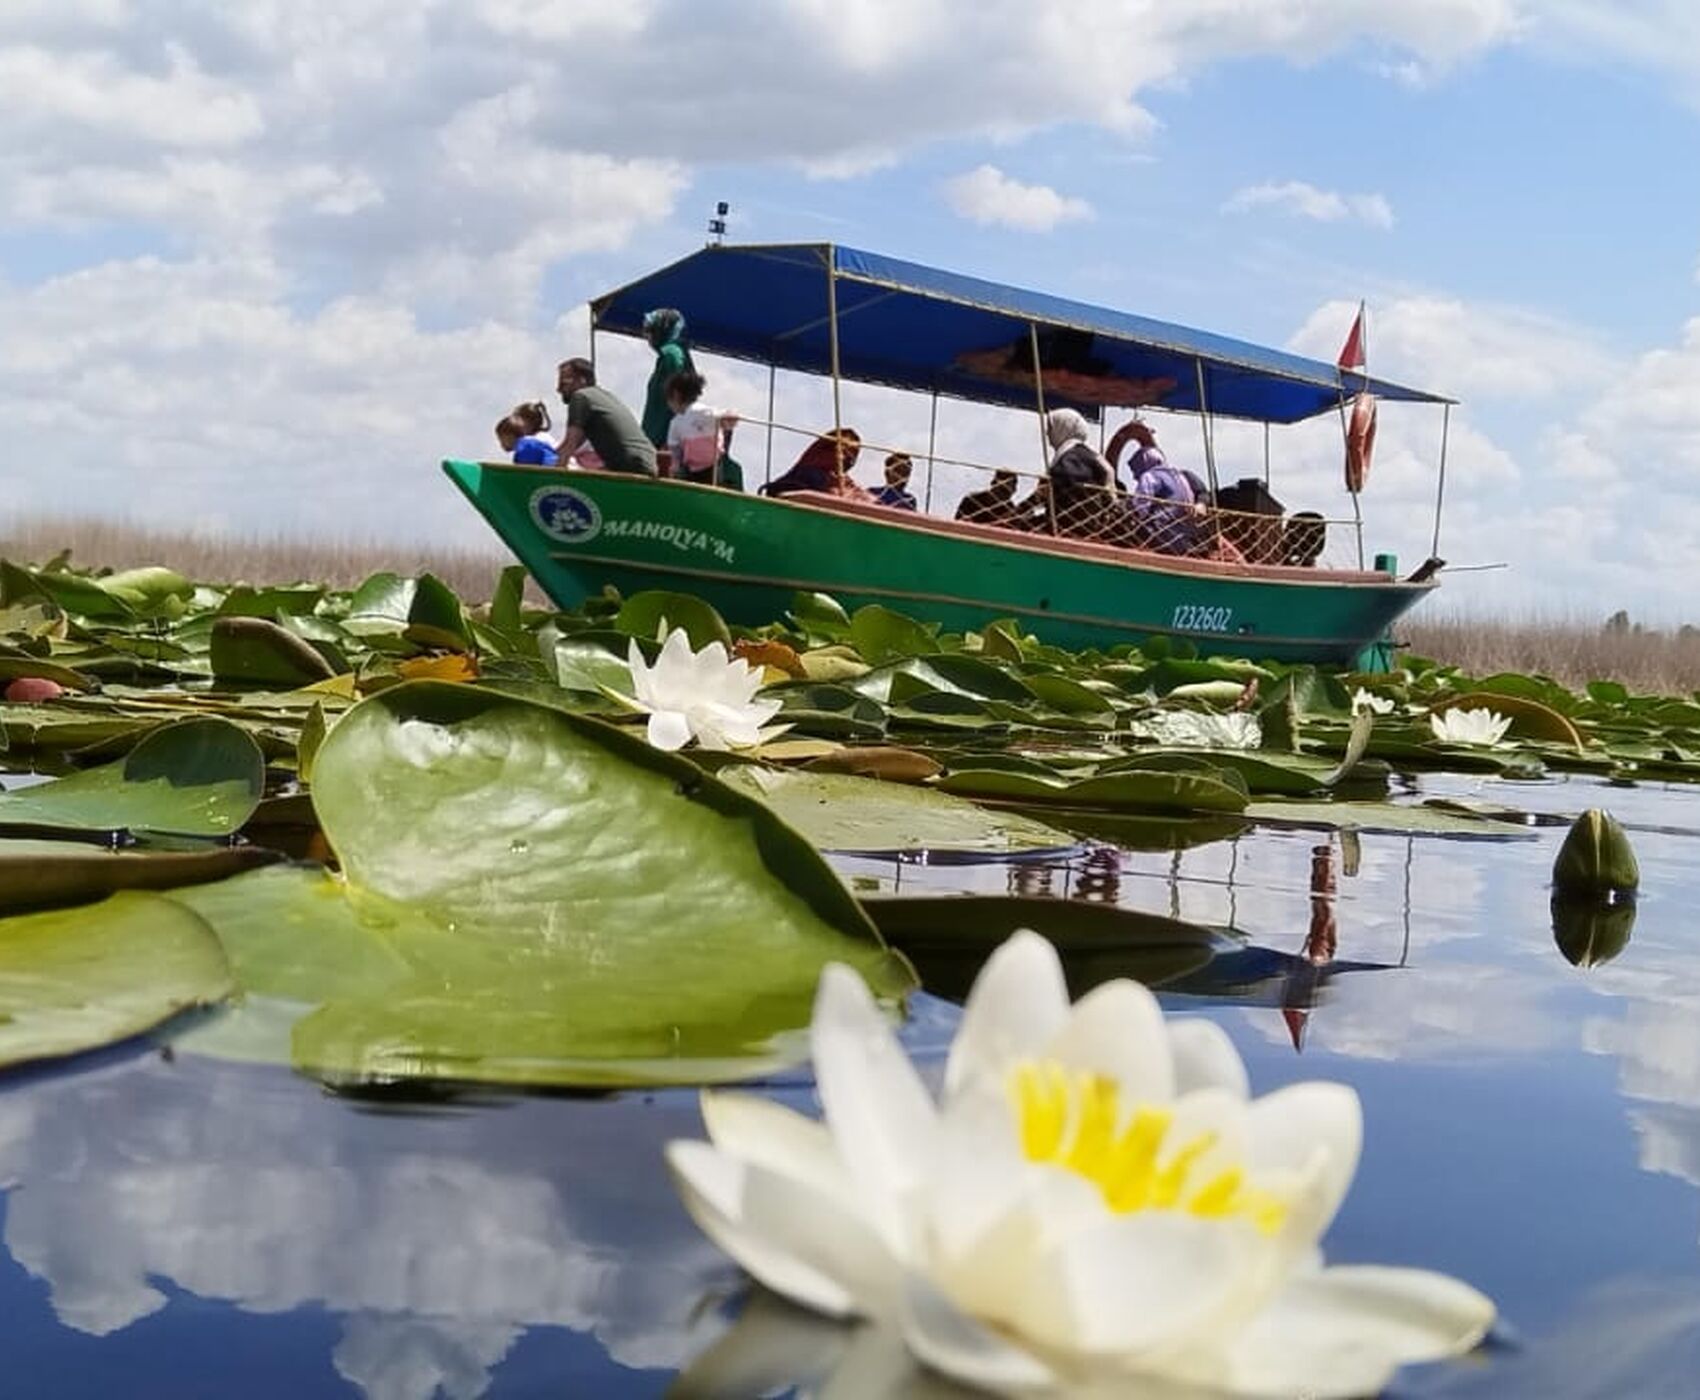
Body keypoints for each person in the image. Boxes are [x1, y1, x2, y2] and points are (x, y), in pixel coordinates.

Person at [1109, 416, 1202, 554]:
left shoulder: (1150, 476)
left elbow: (1140, 508)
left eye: (1135, 470)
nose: (1134, 477)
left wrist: (1122, 507)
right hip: (1182, 540)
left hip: (1158, 535)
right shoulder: (1179, 476)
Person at [555, 358, 657, 476]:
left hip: (631, 467)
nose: (558, 389)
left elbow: (570, 444)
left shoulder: (581, 397)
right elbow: (575, 444)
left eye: (563, 384)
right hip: (647, 464)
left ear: (582, 380)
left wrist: (554, 476)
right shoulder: (603, 396)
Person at [1045, 408, 1121, 540]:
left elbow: (1070, 490)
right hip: (1093, 524)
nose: (1047, 433)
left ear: (1063, 428)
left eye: (1051, 428)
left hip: (1071, 525)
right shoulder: (1089, 454)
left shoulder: (1070, 458)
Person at [663, 369, 743, 490]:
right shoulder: (681, 420)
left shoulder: (686, 418)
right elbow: (729, 418)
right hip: (697, 468)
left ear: (675, 395)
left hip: (709, 468)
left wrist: (675, 467)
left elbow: (675, 451)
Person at [640, 308, 695, 453]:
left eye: (650, 331)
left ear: (660, 330)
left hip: (663, 439)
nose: (646, 336)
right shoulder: (672, 353)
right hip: (658, 437)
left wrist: (670, 439)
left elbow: (679, 396)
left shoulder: (672, 355)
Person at [761, 429, 868, 500]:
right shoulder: (808, 473)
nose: (845, 458)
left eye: (852, 454)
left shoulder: (845, 482)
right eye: (843, 451)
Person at [955, 470, 1023, 527]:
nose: (1003, 496)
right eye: (1002, 490)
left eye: (1007, 492)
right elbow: (958, 524)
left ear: (1014, 491)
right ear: (993, 484)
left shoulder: (1011, 510)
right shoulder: (972, 500)